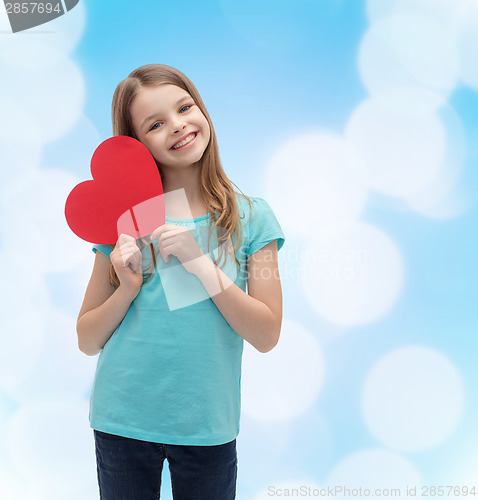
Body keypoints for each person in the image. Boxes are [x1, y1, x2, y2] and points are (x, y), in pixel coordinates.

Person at [76, 64, 285, 500]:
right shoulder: (123, 222)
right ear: (136, 145)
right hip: (122, 420)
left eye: (184, 107)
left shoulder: (252, 218)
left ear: (201, 109)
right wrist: (128, 287)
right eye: (155, 124)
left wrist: (200, 263)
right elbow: (87, 338)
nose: (178, 126)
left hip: (206, 425)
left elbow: (266, 334)